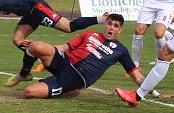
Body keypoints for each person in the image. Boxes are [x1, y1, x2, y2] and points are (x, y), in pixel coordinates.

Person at [17, 14, 145, 98]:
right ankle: (24, 73)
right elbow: (64, 48)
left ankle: (67, 89)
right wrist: (41, 51)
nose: (111, 27)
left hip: (76, 77)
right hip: (64, 62)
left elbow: (137, 77)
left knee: (29, 92)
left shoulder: (121, 50)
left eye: (115, 26)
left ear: (120, 30)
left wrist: (150, 88)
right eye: (109, 23)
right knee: (35, 46)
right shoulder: (90, 34)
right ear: (104, 24)